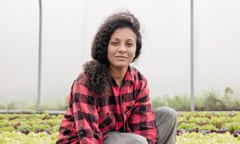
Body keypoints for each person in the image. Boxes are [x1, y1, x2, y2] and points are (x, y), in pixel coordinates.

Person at [56, 10, 177, 144]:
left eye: (129, 44)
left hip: (121, 138)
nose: (122, 49)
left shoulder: (139, 81)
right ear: (105, 47)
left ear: (136, 50)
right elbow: (88, 136)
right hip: (86, 141)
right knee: (133, 141)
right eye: (115, 43)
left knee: (168, 116)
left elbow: (145, 130)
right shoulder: (87, 81)